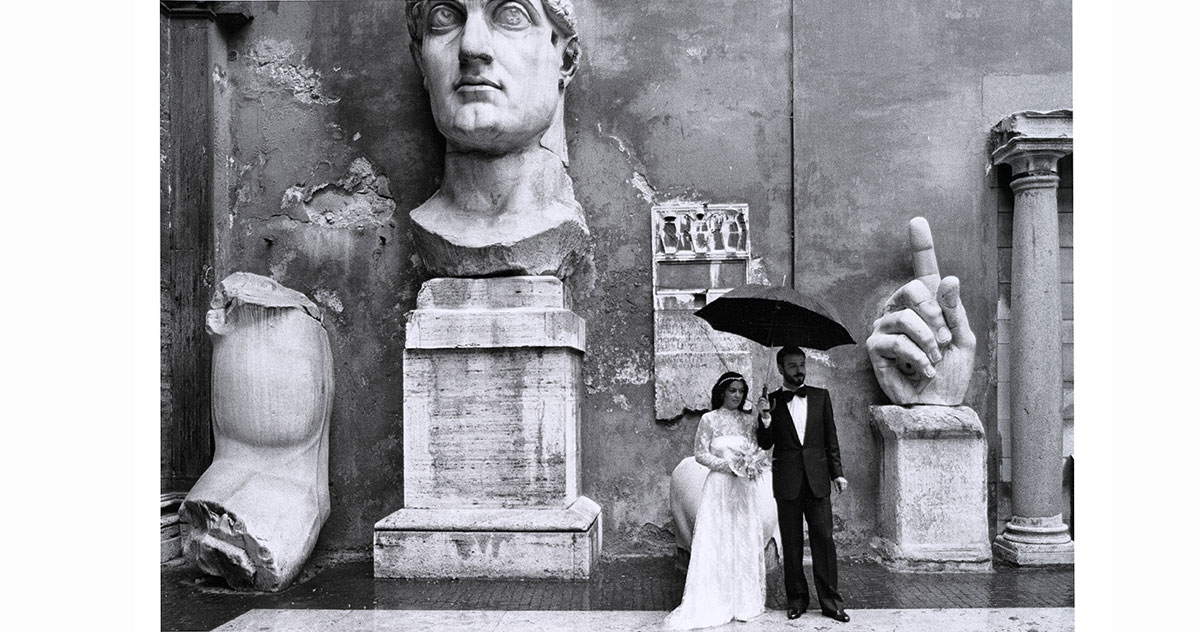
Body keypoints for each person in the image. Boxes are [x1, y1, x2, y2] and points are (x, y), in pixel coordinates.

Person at [664, 372, 771, 630]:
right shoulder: (709, 419)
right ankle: (715, 597)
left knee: (742, 538)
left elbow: (759, 448)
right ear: (722, 392)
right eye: (733, 390)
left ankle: (743, 600)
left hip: (743, 489)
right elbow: (700, 454)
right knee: (718, 538)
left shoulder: (748, 420)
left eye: (741, 391)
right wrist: (729, 465)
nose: (737, 396)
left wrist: (765, 418)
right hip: (719, 486)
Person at [755, 347, 850, 622]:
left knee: (824, 540)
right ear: (781, 369)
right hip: (787, 483)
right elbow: (765, 443)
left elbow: (831, 439)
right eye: (792, 365)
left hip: (818, 481)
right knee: (792, 545)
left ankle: (831, 603)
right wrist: (765, 418)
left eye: (802, 364)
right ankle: (796, 600)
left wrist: (837, 473)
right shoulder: (770, 400)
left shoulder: (821, 397)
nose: (799, 370)